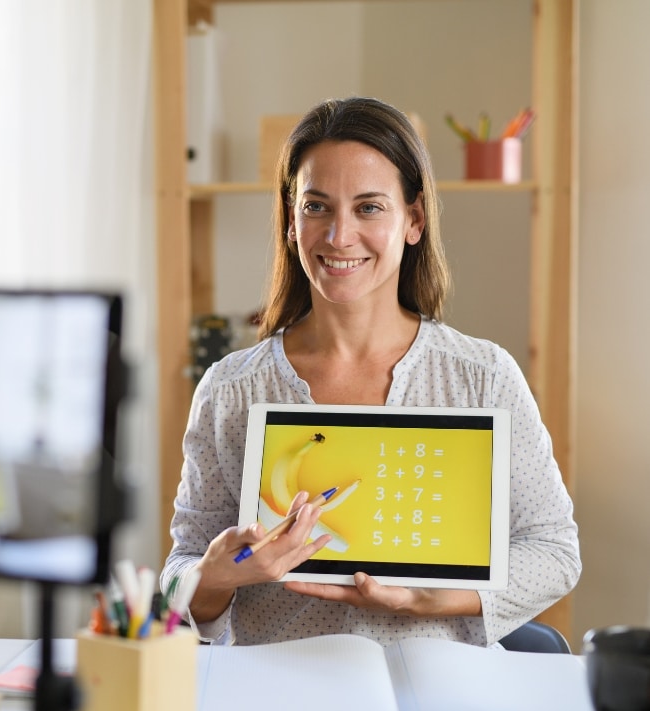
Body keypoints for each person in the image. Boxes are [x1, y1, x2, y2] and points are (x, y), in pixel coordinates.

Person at [159, 96, 581, 647]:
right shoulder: (231, 390)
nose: (339, 235)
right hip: (280, 681)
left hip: (437, 681)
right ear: (291, 221)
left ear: (414, 220)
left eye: (369, 208)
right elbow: (180, 573)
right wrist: (214, 576)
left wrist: (434, 598)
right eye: (316, 206)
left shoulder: (482, 377)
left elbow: (554, 550)